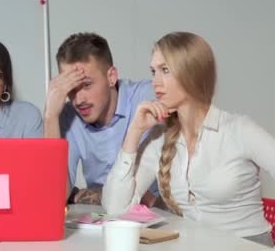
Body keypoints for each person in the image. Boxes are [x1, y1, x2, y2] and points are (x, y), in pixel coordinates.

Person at [102, 31, 275, 247]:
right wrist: (134, 132)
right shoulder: (159, 138)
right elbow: (116, 208)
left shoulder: (239, 130)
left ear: (192, 72)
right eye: (153, 71)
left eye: (165, 70)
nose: (155, 82)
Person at [43, 32, 157, 205]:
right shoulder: (67, 116)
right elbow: (56, 196)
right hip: (104, 216)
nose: (79, 99)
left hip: (160, 216)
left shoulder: (148, 94)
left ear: (111, 77)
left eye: (87, 85)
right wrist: (50, 117)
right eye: (71, 89)